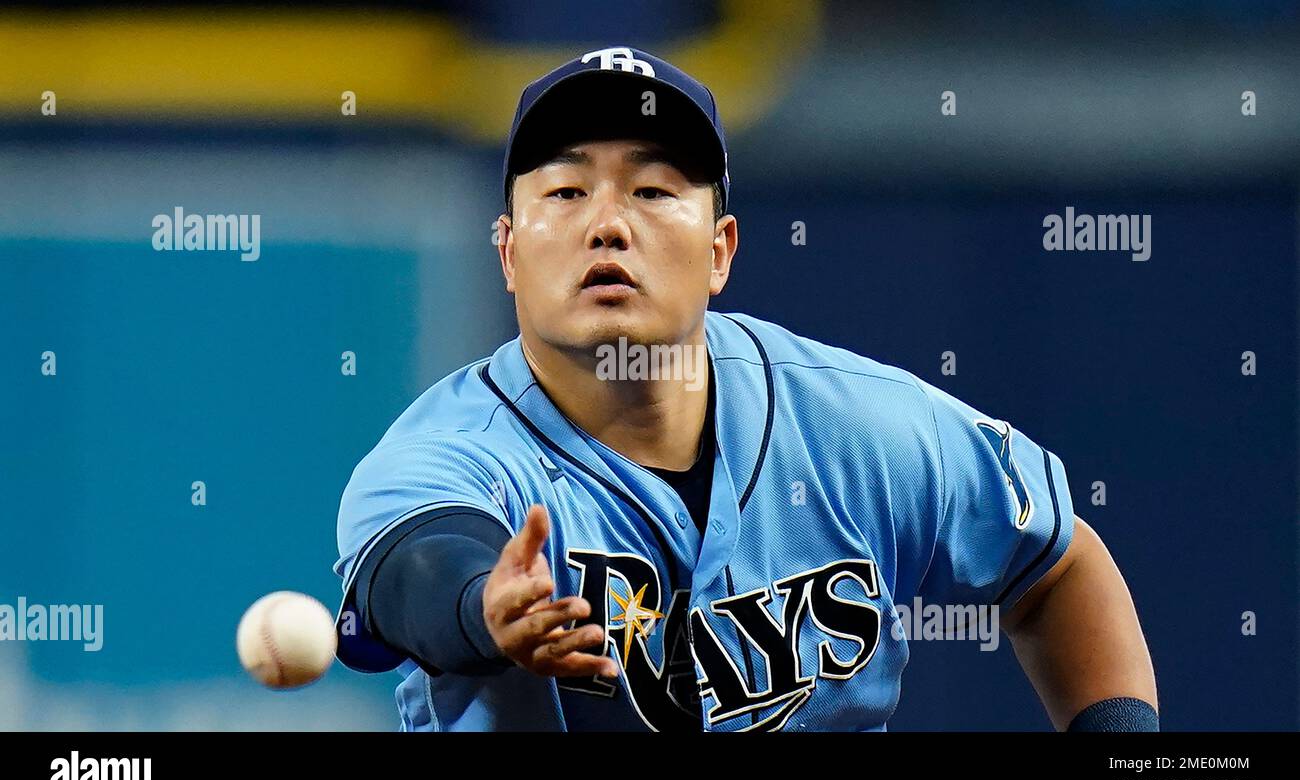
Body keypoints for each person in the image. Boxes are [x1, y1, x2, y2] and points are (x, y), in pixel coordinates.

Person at [331, 46, 1158, 732]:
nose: (608, 222)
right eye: (566, 191)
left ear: (721, 250)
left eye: (653, 189)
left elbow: (1056, 561)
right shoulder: (448, 455)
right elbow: (419, 566)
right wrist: (484, 605)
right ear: (509, 254)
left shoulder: (851, 425)